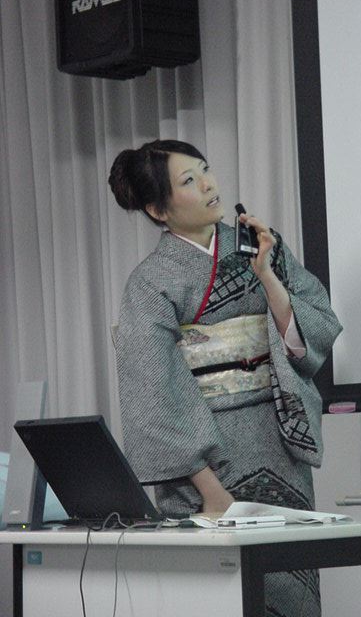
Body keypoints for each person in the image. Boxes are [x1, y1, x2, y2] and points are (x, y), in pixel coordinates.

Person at [109, 139, 342, 617]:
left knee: (292, 593)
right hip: (207, 469)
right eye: (188, 180)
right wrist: (210, 490)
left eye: (205, 170)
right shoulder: (150, 283)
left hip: (278, 447)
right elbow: (153, 390)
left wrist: (267, 275)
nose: (208, 184)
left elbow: (316, 326)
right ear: (158, 210)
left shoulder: (261, 246)